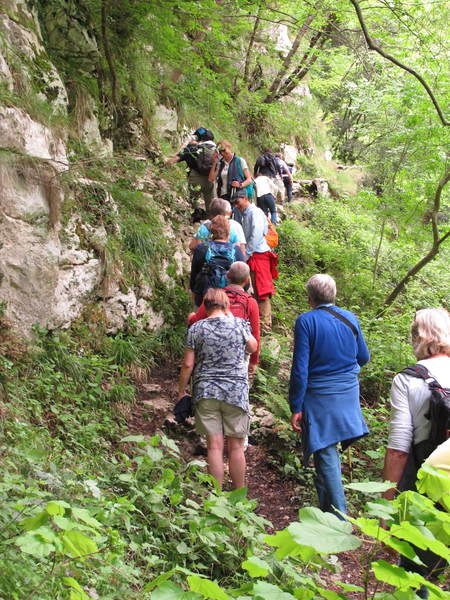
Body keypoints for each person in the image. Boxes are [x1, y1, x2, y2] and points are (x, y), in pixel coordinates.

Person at [289, 274, 370, 519]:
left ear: (310, 297)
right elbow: (363, 357)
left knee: (324, 451)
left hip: (319, 395)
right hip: (347, 391)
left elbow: (300, 368)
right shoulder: (350, 318)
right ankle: (327, 510)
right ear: (333, 294)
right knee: (326, 451)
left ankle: (338, 520)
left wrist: (295, 405)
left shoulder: (305, 321)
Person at [381, 308, 450, 597]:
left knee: (416, 566)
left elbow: (398, 449)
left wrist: (385, 507)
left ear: (419, 337)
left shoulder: (408, 379)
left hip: (425, 480)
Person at [178, 288, 258, 489]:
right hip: (236, 392)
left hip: (206, 392)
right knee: (236, 447)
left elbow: (188, 364)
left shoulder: (196, 328)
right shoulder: (239, 324)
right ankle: (239, 496)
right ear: (227, 305)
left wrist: (181, 392)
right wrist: (233, 320)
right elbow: (253, 347)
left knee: (214, 447)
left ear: (204, 306)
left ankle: (217, 496)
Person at [188, 261, 260, 374]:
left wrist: (191, 317)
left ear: (228, 275)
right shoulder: (250, 302)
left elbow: (197, 320)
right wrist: (254, 360)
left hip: (211, 348)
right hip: (238, 354)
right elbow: (255, 333)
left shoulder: (215, 296)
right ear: (247, 281)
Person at [232, 189, 278, 331]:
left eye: (238, 202)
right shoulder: (248, 214)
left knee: (262, 290)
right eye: (234, 204)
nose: (236, 206)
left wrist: (246, 254)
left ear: (245, 198)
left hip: (259, 255)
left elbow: (256, 234)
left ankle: (265, 326)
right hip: (256, 255)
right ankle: (261, 324)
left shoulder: (254, 212)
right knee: (258, 289)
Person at [190, 215, 245, 307]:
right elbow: (244, 282)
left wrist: (195, 292)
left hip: (205, 298)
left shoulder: (201, 248)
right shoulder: (236, 250)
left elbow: (194, 275)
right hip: (229, 300)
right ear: (228, 234)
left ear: (211, 233)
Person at [165, 129, 216, 221]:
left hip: (195, 177)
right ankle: (210, 218)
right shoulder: (213, 151)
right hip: (210, 177)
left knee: (194, 197)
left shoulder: (189, 150)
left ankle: (196, 214)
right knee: (210, 199)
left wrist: (161, 168)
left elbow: (172, 161)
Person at [208, 140, 252, 224]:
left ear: (229, 147)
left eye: (223, 150)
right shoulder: (220, 164)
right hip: (223, 196)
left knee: (236, 220)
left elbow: (249, 179)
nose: (222, 153)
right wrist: (214, 162)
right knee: (224, 221)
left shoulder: (239, 161)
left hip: (236, 195)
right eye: (220, 151)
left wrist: (240, 185)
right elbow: (211, 179)